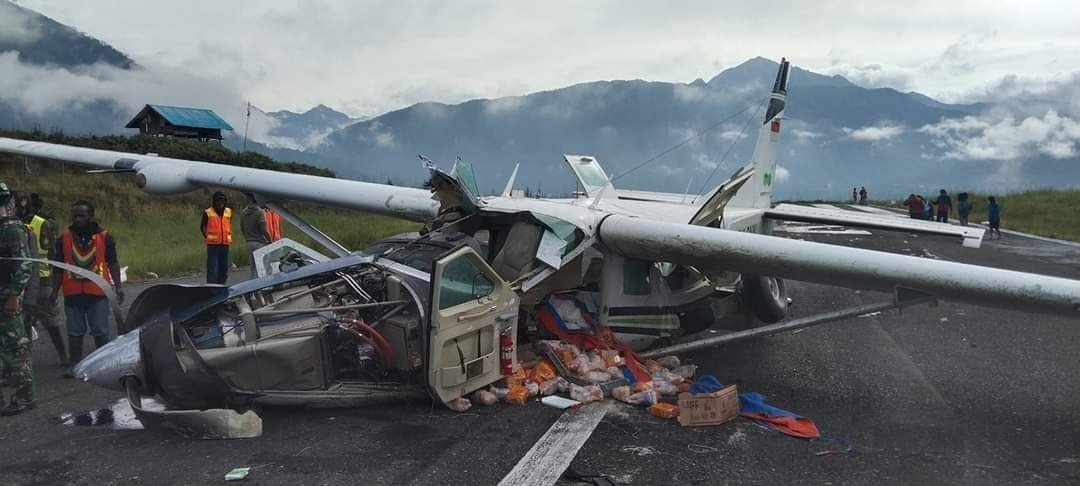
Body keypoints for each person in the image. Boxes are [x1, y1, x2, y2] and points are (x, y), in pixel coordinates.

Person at [53, 200, 123, 378]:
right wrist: (54, 291)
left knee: (100, 330)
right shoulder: (63, 238)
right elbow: (58, 267)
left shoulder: (105, 237)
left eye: (82, 216)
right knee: (74, 331)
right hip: (72, 293)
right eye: (75, 216)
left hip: (98, 292)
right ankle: (75, 364)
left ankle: (104, 364)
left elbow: (113, 263)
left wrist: (118, 287)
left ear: (91, 216)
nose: (77, 219)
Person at [17, 192, 67, 366]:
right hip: (21, 279)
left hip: (42, 278)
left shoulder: (40, 223)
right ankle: (26, 360)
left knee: (50, 321)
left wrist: (53, 281)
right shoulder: (12, 224)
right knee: (24, 322)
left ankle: (63, 355)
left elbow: (52, 251)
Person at [0, 182, 35, 416]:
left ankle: (24, 398)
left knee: (15, 350)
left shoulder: (12, 229)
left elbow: (24, 265)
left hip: (7, 299)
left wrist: (13, 295)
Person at [200, 192, 232, 284]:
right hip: (213, 246)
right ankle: (211, 289)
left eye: (222, 200)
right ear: (214, 201)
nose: (220, 203)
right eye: (218, 200)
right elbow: (202, 227)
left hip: (225, 245)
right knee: (213, 271)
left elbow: (228, 224)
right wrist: (208, 237)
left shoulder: (229, 212)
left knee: (223, 270)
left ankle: (221, 287)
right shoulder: (208, 212)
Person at [241, 194, 272, 280]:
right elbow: (264, 230)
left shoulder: (243, 213)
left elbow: (242, 228)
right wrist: (269, 240)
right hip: (259, 243)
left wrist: (247, 237)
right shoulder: (259, 212)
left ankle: (252, 285)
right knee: (262, 268)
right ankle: (263, 285)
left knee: (253, 269)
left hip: (249, 242)